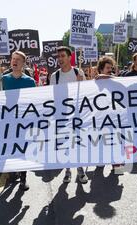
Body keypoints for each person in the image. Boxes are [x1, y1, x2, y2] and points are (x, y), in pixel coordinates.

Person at [50, 46, 88, 184]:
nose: (60, 59)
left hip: (77, 115)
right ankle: (67, 171)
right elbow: (53, 97)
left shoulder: (79, 72)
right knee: (65, 145)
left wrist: (80, 83)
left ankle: (80, 169)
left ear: (69, 57)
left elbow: (85, 95)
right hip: (62, 115)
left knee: (77, 143)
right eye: (58, 56)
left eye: (62, 56)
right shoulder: (55, 76)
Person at [2, 51, 37, 191]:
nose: (14, 61)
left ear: (23, 63)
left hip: (24, 120)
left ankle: (23, 178)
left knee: (22, 149)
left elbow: (33, 102)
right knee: (10, 147)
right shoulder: (3, 79)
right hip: (8, 120)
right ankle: (14, 169)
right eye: (13, 59)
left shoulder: (30, 81)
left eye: (18, 59)